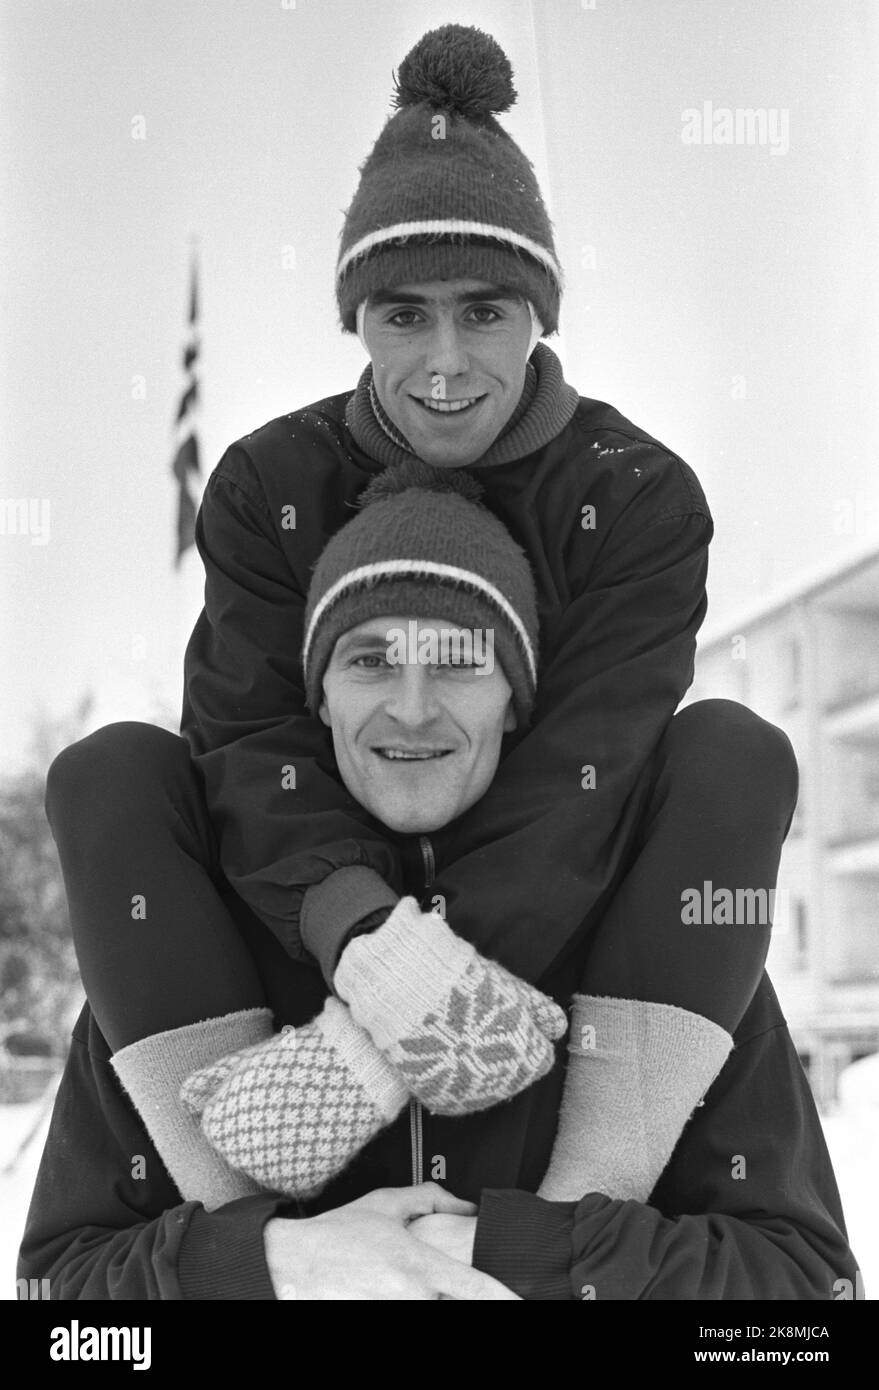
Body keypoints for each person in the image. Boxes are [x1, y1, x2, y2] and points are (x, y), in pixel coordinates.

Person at [18, 25, 860, 1298]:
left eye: (487, 311)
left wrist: (541, 1249)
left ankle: (581, 1169)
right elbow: (244, 741)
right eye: (404, 314)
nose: (447, 361)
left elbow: (600, 755)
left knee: (734, 751)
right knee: (113, 771)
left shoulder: (632, 504)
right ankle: (251, 1172)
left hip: (562, 928)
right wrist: (272, 1259)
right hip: (300, 953)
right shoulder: (269, 492)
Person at [20, 465, 858, 1299]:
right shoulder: (180, 927)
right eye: (369, 660)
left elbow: (799, 1314)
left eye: (458, 662)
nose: (412, 707)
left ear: (516, 701)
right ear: (320, 698)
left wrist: (530, 1255)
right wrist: (273, 1261)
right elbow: (62, 1317)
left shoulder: (664, 926)